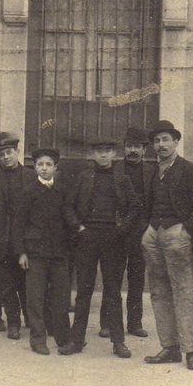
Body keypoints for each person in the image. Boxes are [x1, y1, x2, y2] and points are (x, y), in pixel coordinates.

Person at [141, 120, 193, 372]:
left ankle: (190, 351)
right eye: (157, 141)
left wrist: (186, 229)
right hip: (154, 235)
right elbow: (147, 204)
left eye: (165, 140)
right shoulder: (153, 171)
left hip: (177, 235)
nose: (161, 145)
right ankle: (169, 347)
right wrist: (147, 230)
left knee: (183, 292)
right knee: (159, 292)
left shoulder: (190, 170)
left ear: (175, 142)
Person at [64, 136, 137, 358]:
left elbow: (135, 207)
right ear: (92, 155)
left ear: (114, 155)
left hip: (113, 239)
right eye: (99, 151)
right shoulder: (84, 178)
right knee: (84, 291)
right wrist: (80, 228)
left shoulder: (122, 179)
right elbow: (68, 205)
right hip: (88, 238)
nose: (104, 155)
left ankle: (118, 342)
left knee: (113, 291)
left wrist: (122, 228)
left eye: (107, 151)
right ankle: (76, 341)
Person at [14, 147, 74, 355]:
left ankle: (64, 338)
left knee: (61, 297)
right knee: (35, 297)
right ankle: (38, 339)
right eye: (40, 164)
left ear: (55, 167)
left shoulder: (63, 191)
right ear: (35, 167)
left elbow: (69, 220)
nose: (44, 168)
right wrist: (21, 252)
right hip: (35, 253)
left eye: (49, 164)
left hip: (59, 253)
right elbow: (18, 224)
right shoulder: (27, 192)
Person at [102, 126, 153, 338]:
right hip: (117, 231)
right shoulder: (114, 170)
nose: (133, 150)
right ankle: (108, 323)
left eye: (137, 147)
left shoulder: (152, 171)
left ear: (144, 150)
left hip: (141, 232)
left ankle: (135, 323)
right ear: (124, 148)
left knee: (137, 278)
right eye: (130, 146)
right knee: (112, 278)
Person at [0, 132, 31, 339]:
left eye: (9, 152)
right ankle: (13, 322)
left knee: (29, 283)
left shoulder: (31, 176)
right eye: (2, 154)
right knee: (7, 285)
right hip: (3, 240)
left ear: (17, 152)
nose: (6, 157)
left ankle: (32, 319)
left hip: (28, 241)